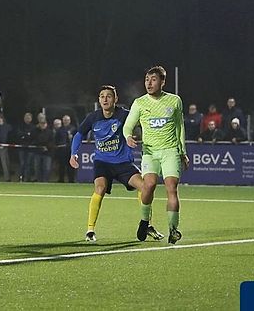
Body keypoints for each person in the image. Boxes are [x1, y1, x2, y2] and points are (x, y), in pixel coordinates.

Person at [70, 86, 161, 242]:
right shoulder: (93, 117)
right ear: (99, 100)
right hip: (102, 162)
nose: (105, 99)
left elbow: (143, 123)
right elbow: (79, 134)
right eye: (102, 96)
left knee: (145, 187)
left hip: (123, 163)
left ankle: (147, 225)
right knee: (100, 187)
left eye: (109, 96)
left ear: (115, 99)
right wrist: (73, 154)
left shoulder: (124, 115)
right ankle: (90, 230)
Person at [122, 65, 188, 245]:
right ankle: (144, 221)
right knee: (148, 186)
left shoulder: (174, 101)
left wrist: (182, 152)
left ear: (163, 82)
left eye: (153, 79)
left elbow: (179, 127)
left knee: (171, 188)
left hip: (170, 151)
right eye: (146, 80)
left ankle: (173, 230)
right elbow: (128, 126)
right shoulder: (140, 103)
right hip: (150, 152)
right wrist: (128, 136)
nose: (149, 83)